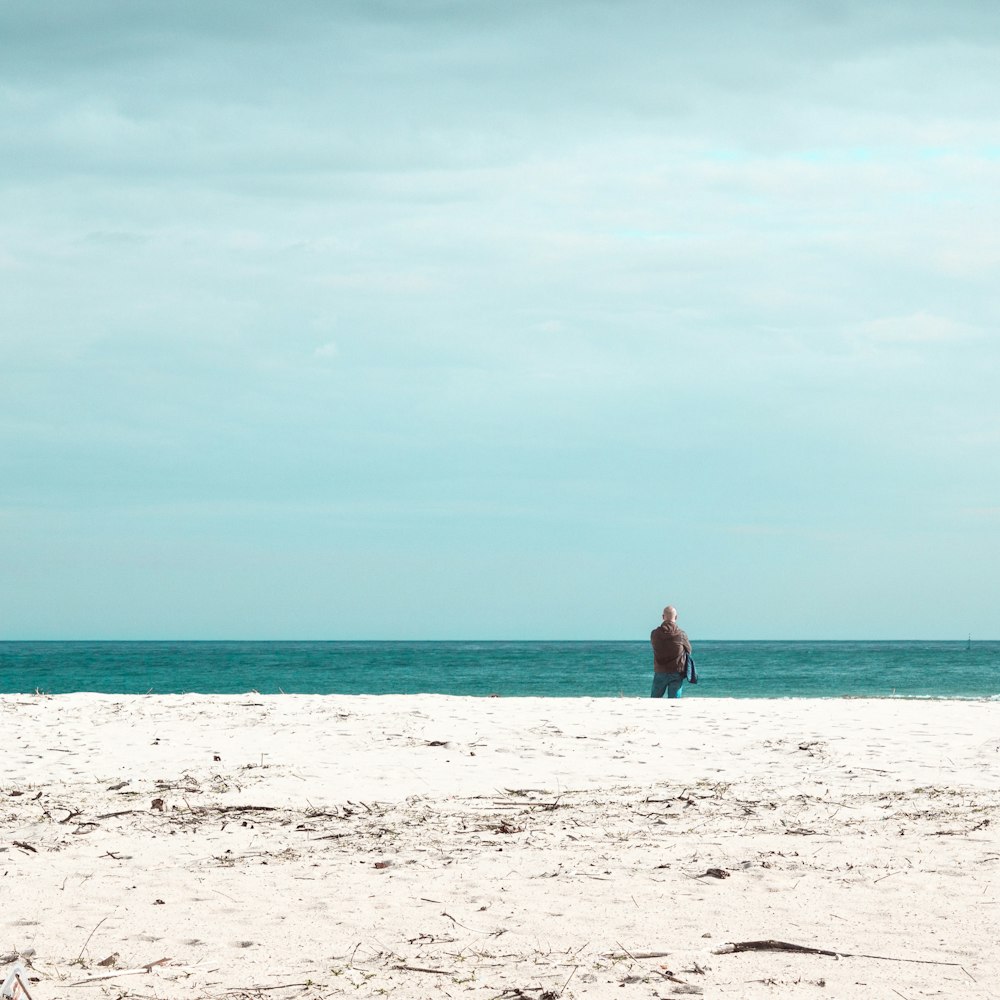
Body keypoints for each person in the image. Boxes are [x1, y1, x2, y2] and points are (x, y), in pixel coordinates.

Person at [650, 605, 692, 698]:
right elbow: (689, 650)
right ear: (676, 617)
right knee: (674, 703)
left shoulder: (654, 633)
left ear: (663, 617)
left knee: (654, 701)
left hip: (660, 670)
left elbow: (654, 646)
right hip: (676, 671)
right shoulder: (681, 634)